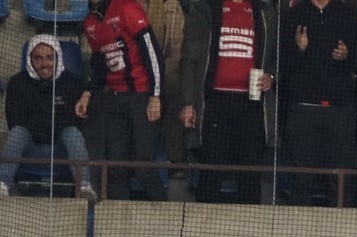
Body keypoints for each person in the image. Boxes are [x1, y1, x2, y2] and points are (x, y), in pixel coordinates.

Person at [179, 0, 273, 204]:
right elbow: (189, 58)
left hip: (251, 104)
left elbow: (277, 55)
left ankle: (250, 222)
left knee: (250, 172)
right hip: (215, 102)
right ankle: (204, 221)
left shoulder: (263, 10)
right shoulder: (207, 8)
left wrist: (272, 77)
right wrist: (188, 102)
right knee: (211, 169)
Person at [280, 0, 357, 206]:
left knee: (341, 182)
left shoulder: (349, 14)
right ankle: (299, 225)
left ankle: (341, 225)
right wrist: (299, 49)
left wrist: (348, 55)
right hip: (303, 108)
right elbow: (280, 65)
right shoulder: (294, 14)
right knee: (302, 180)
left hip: (340, 109)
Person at [83, 0, 167, 200]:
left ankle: (165, 212)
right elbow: (99, 66)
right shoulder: (89, 23)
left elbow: (153, 54)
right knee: (115, 167)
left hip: (142, 96)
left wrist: (155, 95)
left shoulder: (127, 8)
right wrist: (88, 93)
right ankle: (116, 217)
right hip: (114, 99)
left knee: (143, 166)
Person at [1, 37, 94, 201]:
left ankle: (84, 186)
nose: (44, 64)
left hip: (62, 149)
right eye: (38, 58)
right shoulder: (17, 83)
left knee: (73, 133)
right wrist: (51, 123)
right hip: (30, 148)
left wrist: (43, 121)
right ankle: (3, 184)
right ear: (30, 60)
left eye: (50, 58)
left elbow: (77, 122)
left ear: (58, 58)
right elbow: (15, 120)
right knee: (17, 133)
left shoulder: (74, 83)